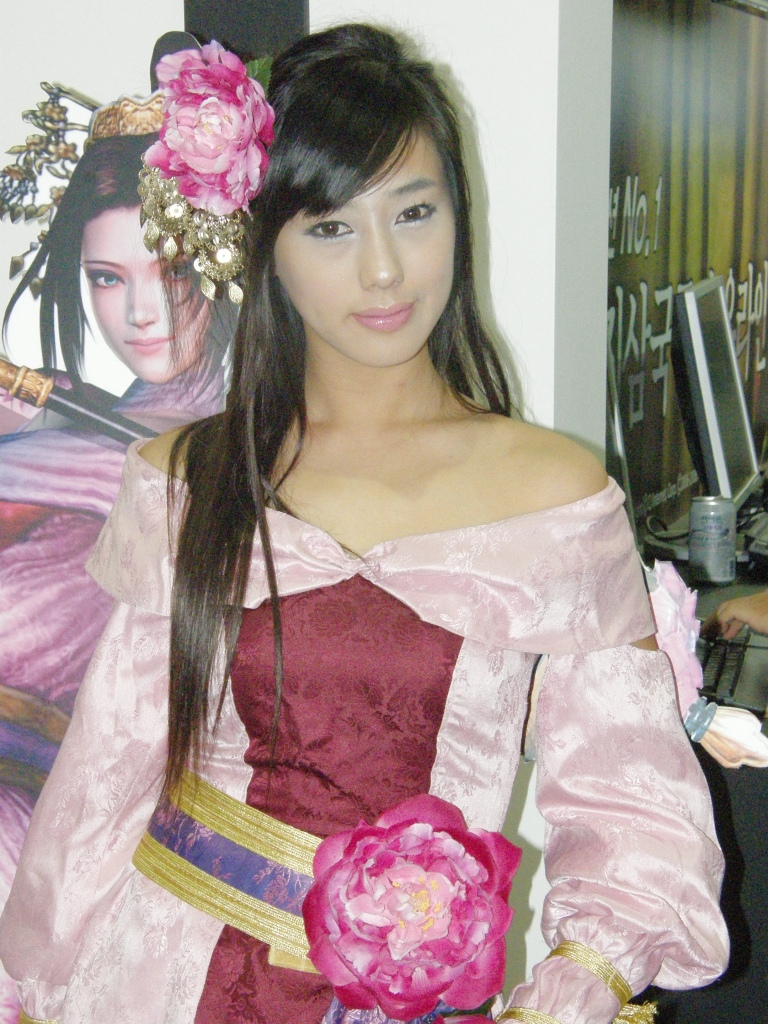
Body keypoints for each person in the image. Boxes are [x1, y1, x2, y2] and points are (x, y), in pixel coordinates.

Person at [0, 24, 728, 1024]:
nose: (385, 271)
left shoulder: (554, 498)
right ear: (264, 245)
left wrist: (573, 990)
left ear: (458, 215)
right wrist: (32, 991)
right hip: (151, 981)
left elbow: (633, 809)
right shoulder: (185, 477)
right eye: (330, 228)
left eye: (414, 212)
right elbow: (104, 779)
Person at [0, 89, 235, 1023]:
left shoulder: (243, 458)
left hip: (99, 846)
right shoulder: (61, 421)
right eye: (106, 278)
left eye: (170, 268)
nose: (141, 312)